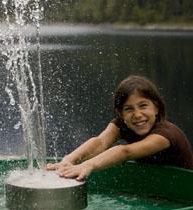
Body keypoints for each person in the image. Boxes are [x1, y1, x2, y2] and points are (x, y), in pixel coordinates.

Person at [47, 75, 193, 180]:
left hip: (185, 194)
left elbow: (125, 152)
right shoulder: (121, 124)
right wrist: (68, 160)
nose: (137, 115)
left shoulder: (165, 135)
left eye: (143, 106)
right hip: (156, 189)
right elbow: (100, 142)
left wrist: (87, 165)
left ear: (156, 107)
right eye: (129, 109)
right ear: (120, 114)